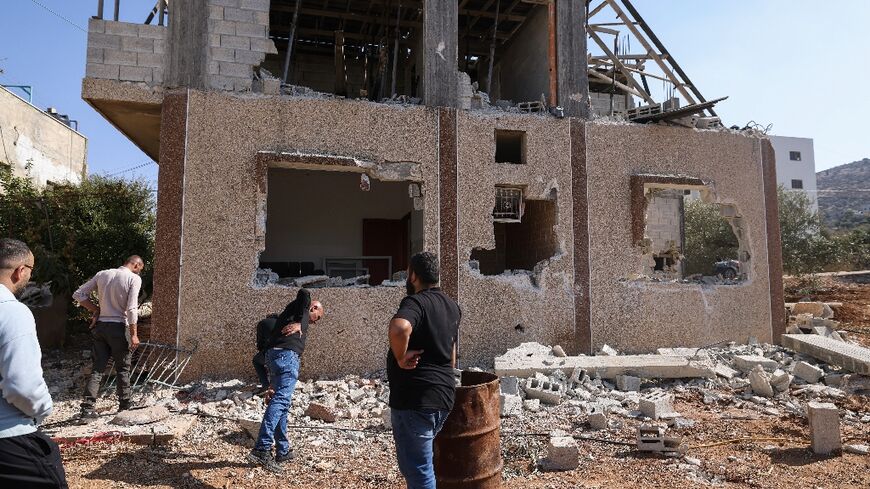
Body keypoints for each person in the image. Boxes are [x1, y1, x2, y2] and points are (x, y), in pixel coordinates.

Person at [387, 251, 461, 489]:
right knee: (420, 465)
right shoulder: (452, 306)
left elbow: (400, 328)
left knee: (419, 471)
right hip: (443, 396)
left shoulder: (415, 302)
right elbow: (452, 349)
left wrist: (400, 358)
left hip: (415, 399)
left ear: (413, 276)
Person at [0, 238, 69, 488]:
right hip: (11, 443)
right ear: (20, 271)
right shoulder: (12, 312)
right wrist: (43, 409)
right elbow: (22, 386)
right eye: (31, 270)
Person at [248, 289, 324, 472]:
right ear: (313, 307)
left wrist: (272, 384)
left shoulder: (287, 317)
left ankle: (283, 451)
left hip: (275, 357)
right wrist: (300, 322)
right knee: (281, 402)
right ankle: (262, 448)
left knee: (280, 404)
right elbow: (304, 292)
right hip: (286, 358)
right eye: (318, 317)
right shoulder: (302, 309)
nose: (315, 322)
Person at [73, 256, 144, 418]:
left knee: (98, 369)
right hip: (119, 328)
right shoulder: (133, 279)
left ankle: (87, 410)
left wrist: (96, 310)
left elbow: (78, 294)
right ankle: (124, 406)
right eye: (140, 269)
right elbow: (132, 309)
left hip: (101, 327)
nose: (140, 272)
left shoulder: (102, 274)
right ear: (136, 265)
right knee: (123, 368)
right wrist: (134, 334)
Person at [252, 314, 279, 393]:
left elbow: (260, 342)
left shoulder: (263, 323)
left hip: (271, 352)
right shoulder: (283, 322)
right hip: (287, 353)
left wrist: (261, 351)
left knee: (256, 361)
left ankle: (265, 385)